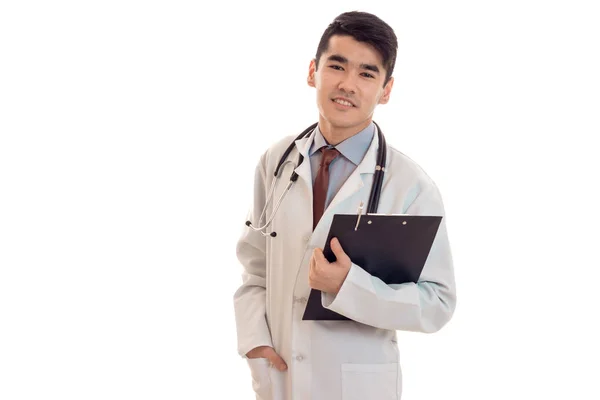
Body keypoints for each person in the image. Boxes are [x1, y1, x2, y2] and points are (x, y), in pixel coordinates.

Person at [233, 11, 456, 400]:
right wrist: (254, 340)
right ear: (312, 72)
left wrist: (349, 287)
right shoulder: (278, 161)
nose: (347, 85)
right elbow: (255, 267)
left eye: (367, 74)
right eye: (337, 66)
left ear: (385, 90)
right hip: (280, 376)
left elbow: (436, 302)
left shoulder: (410, 186)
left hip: (356, 385)